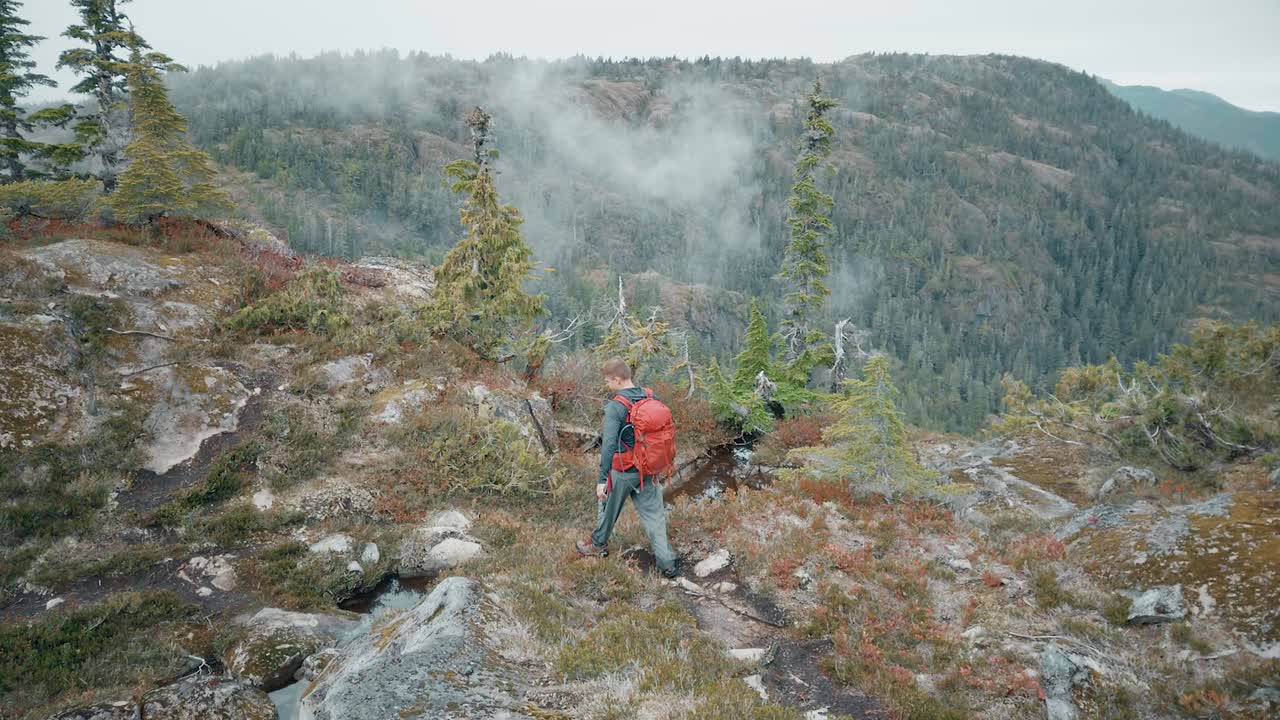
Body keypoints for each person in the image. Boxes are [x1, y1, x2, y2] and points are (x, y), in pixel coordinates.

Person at [576, 358, 679, 578]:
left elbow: (608, 445)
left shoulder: (616, 405)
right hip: (648, 469)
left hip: (623, 471)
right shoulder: (650, 396)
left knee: (608, 508)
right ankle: (667, 563)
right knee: (655, 517)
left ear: (617, 379)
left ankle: (598, 545)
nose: (607, 385)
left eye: (608, 381)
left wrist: (602, 479)